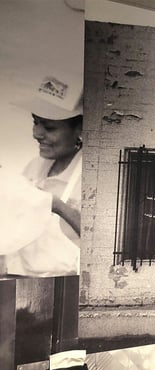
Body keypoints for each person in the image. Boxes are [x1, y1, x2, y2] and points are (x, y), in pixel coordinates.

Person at [4, 74, 83, 276]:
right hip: (23, 280)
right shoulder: (34, 168)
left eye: (49, 127)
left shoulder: (89, 175)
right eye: (35, 122)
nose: (36, 133)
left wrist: (58, 206)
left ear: (80, 129)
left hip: (66, 288)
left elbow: (101, 244)